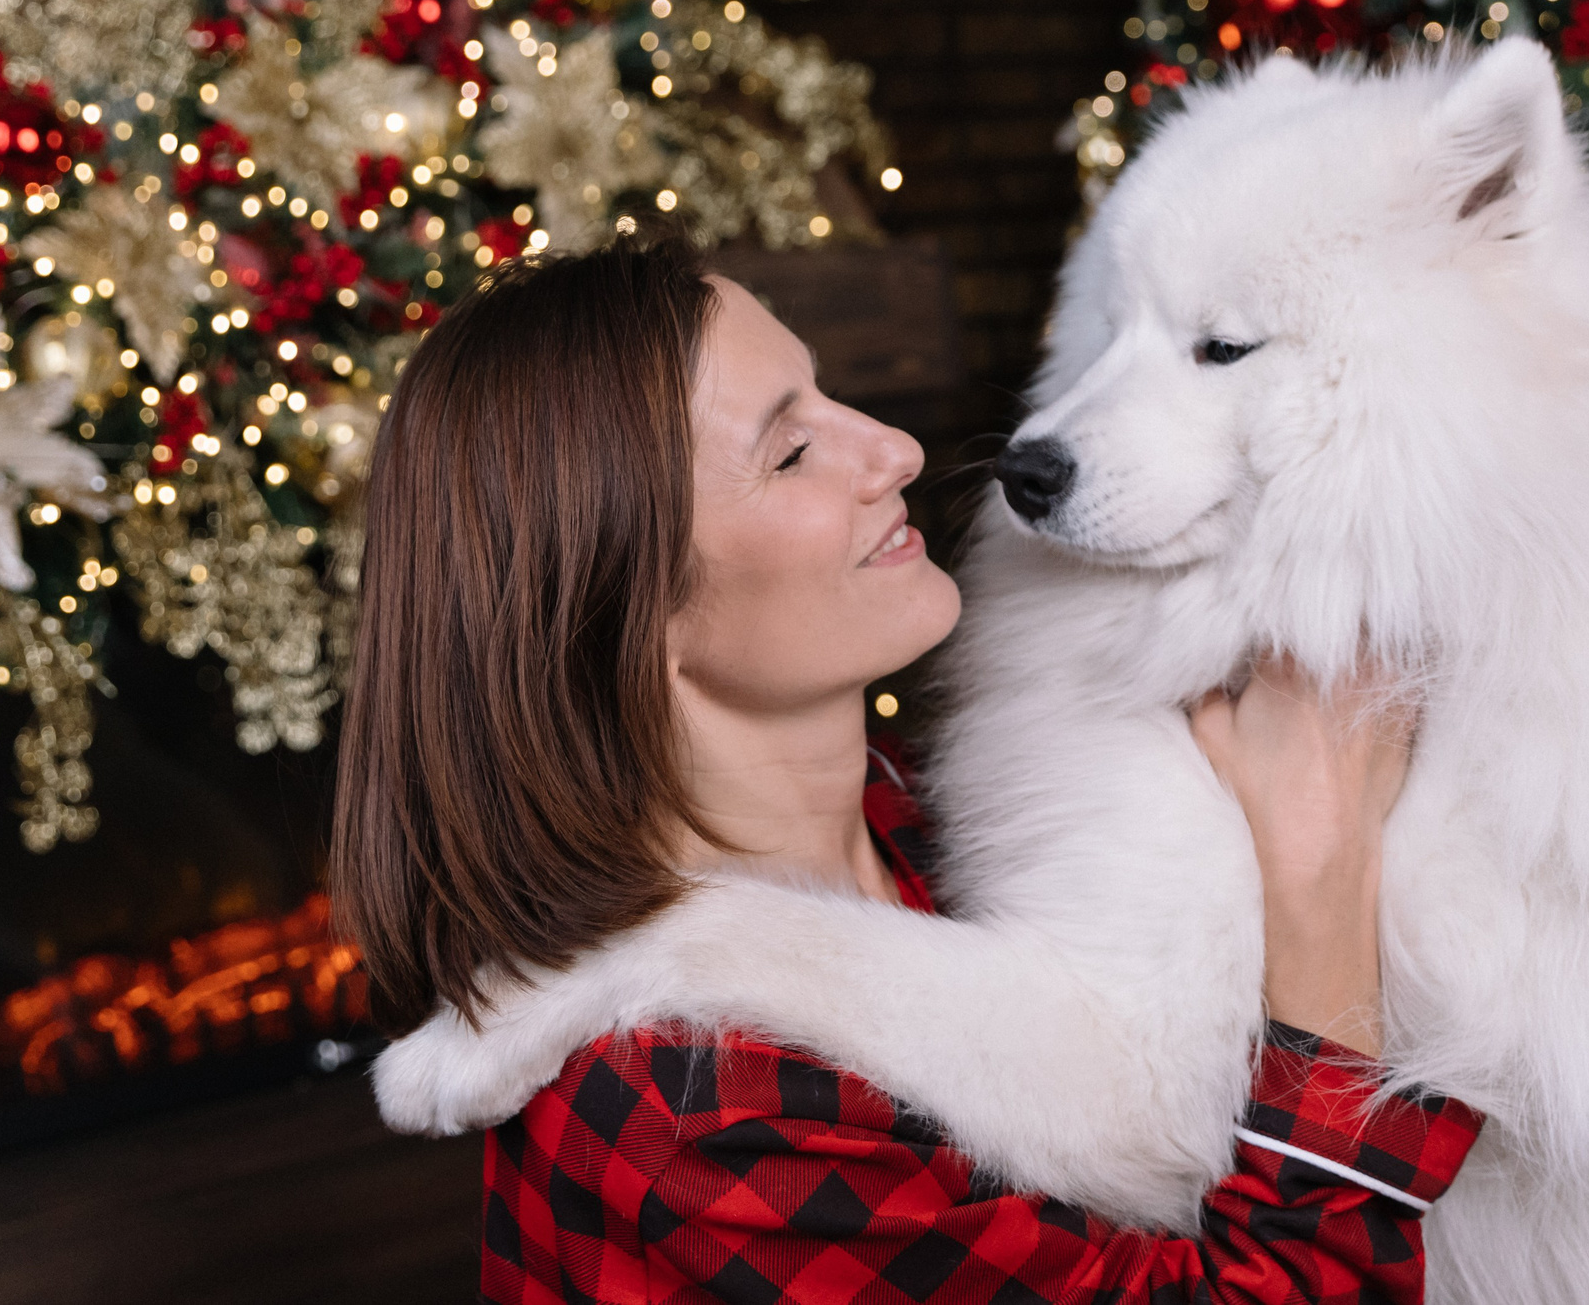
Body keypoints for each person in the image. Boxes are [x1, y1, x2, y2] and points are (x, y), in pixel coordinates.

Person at [331, 234, 1480, 1305]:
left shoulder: (908, 821)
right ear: (634, 617)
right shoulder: (688, 1116)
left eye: (829, 394)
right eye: (792, 452)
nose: (896, 452)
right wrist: (1320, 888)